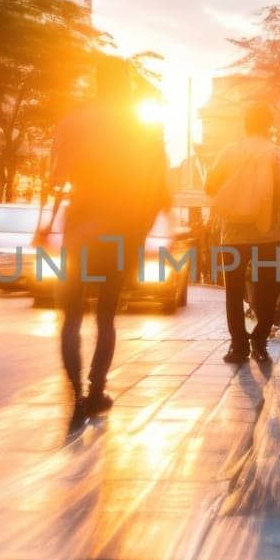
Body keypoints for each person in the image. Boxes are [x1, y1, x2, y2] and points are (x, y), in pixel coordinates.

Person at [48, 62, 169, 432]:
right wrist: (139, 232)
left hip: (80, 228)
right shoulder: (142, 130)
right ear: (127, 87)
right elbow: (158, 190)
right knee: (105, 317)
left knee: (70, 318)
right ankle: (97, 389)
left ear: (97, 83)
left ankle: (76, 397)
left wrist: (48, 221)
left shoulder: (73, 121)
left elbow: (56, 179)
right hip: (119, 231)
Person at [207, 104, 280, 365]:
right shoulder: (279, 154)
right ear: (270, 125)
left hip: (233, 235)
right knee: (267, 288)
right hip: (267, 234)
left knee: (233, 291)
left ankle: (238, 347)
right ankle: (260, 342)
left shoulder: (229, 152)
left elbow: (210, 186)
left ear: (245, 125)